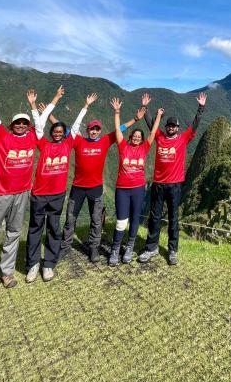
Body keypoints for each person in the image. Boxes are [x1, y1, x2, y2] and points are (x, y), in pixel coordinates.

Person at [0, 76, 62, 298]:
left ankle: (6, 272)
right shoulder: (1, 136)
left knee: (13, 233)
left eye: (24, 122)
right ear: (11, 125)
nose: (22, 125)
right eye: (17, 123)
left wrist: (55, 99)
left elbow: (41, 119)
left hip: (22, 193)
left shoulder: (33, 137)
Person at [55, 95, 146, 263]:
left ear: (100, 130)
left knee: (96, 220)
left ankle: (94, 249)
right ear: (88, 130)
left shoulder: (105, 141)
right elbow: (63, 130)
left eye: (97, 129)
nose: (94, 131)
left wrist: (134, 119)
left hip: (96, 188)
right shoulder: (79, 141)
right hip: (78, 187)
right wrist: (84, 106)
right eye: (92, 129)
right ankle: (65, 247)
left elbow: (121, 129)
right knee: (70, 219)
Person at [24, 92, 97, 283]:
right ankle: (32, 264)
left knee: (54, 229)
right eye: (54, 131)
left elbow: (76, 125)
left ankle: (48, 264)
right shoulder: (44, 144)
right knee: (35, 229)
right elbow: (38, 125)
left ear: (63, 134)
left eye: (60, 132)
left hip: (57, 195)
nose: (57, 134)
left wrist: (86, 106)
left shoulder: (68, 144)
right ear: (50, 133)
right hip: (39, 194)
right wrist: (34, 106)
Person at [138, 91, 207, 265]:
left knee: (173, 218)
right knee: (154, 216)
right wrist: (145, 107)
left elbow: (195, 125)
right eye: (168, 126)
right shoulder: (160, 137)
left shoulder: (183, 139)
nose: (170, 128)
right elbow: (151, 125)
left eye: (173, 126)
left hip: (175, 185)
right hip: (159, 184)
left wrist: (201, 107)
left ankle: (172, 250)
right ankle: (151, 247)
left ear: (177, 127)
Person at [109, 97, 164, 266]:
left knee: (134, 219)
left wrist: (158, 116)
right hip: (123, 190)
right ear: (131, 137)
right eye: (135, 136)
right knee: (121, 221)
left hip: (138, 189)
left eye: (139, 137)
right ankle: (115, 249)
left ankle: (129, 248)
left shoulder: (144, 148)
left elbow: (152, 134)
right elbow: (118, 129)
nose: (137, 138)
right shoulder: (123, 146)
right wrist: (117, 111)